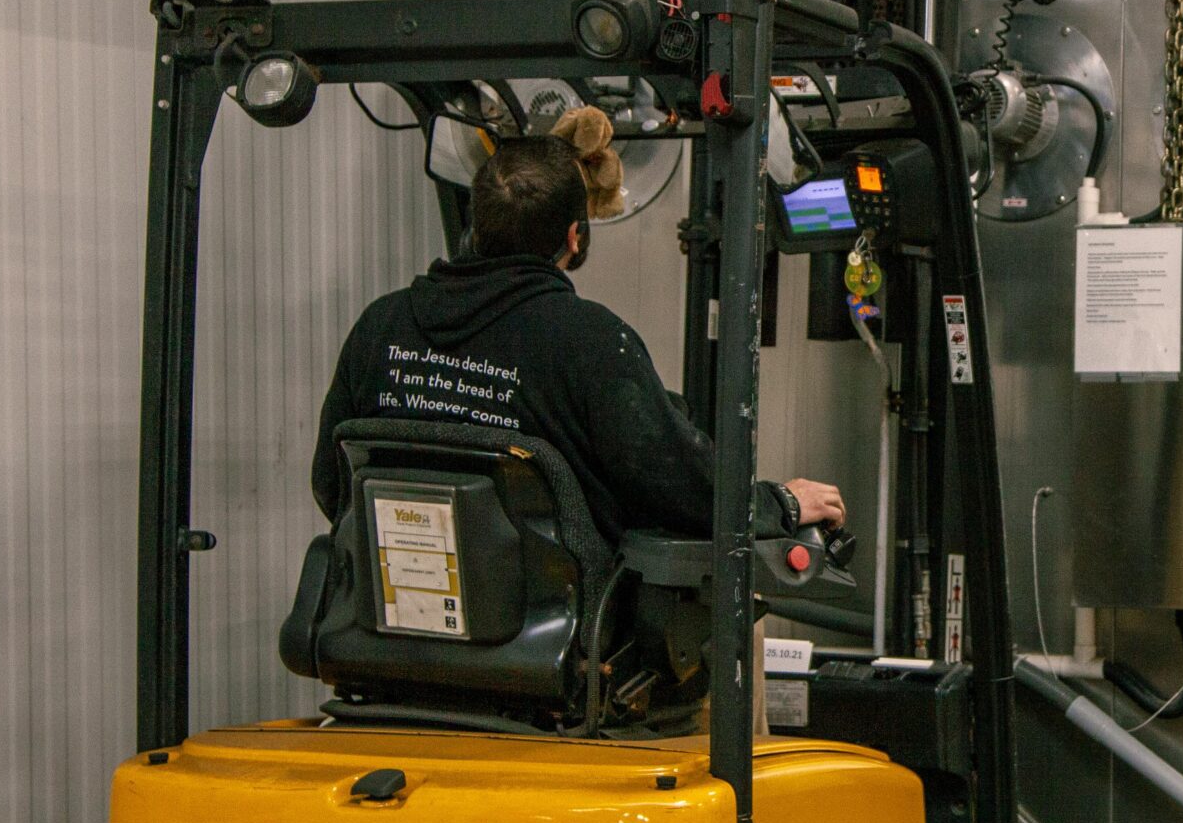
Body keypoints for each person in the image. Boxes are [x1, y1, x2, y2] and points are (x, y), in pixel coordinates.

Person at [310, 129, 843, 544]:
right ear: (573, 235)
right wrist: (779, 505)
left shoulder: (379, 326)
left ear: (478, 224)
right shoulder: (592, 343)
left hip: (388, 626)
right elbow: (682, 493)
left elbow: (330, 485)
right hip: (543, 641)